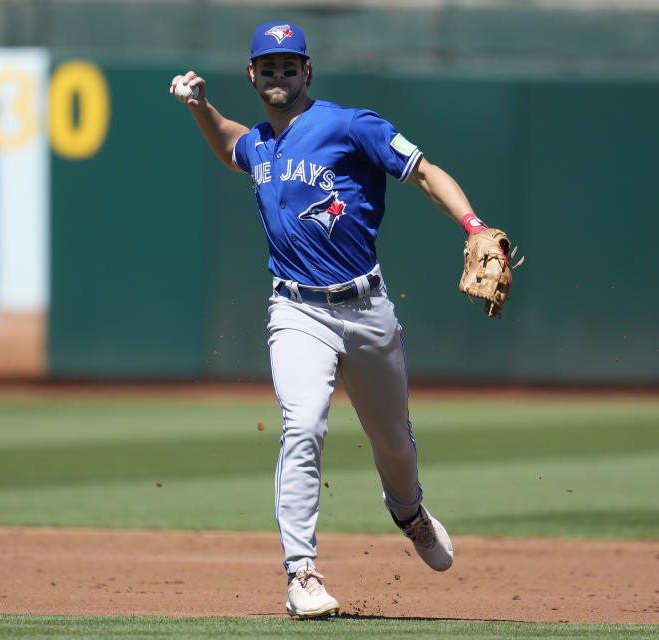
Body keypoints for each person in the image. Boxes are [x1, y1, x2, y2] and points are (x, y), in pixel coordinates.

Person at [170, 21, 494, 620]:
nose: (278, 75)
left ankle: (409, 513)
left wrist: (472, 226)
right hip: (296, 310)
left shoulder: (351, 125)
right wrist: (200, 106)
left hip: (367, 308)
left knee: (393, 441)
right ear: (253, 74)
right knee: (304, 425)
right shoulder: (261, 147)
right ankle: (302, 574)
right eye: (267, 66)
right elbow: (230, 144)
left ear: (307, 72)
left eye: (289, 65)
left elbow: (423, 170)